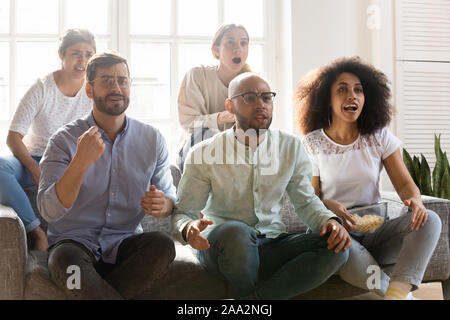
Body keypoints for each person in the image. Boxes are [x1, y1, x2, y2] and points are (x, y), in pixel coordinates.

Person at [172, 72, 351, 300]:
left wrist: (331, 222)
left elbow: (306, 202)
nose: (261, 104)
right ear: (230, 106)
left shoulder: (291, 147)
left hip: (271, 243)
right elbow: (183, 213)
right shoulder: (204, 153)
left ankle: (253, 302)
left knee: (338, 246)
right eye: (249, 98)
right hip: (221, 247)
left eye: (267, 98)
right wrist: (188, 229)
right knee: (237, 231)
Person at [296, 56, 441, 300]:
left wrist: (415, 201)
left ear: (367, 98)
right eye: (342, 90)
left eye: (358, 90)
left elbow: (405, 185)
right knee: (340, 250)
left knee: (431, 220)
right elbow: (311, 198)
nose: (352, 96)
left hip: (377, 230)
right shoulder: (313, 143)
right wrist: (329, 206)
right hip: (339, 233)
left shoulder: (379, 137)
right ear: (326, 99)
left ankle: (395, 296)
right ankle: (399, 296)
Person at [37, 52, 176, 299]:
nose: (116, 87)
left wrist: (163, 204)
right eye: (107, 81)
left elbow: (169, 202)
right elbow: (49, 211)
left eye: (122, 80)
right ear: (89, 90)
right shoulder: (63, 140)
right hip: (73, 247)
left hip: (125, 246)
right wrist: (80, 162)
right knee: (65, 264)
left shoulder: (152, 140)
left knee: (162, 246)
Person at [0, 29, 96, 251]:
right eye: (76, 53)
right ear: (61, 54)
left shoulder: (93, 91)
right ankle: (37, 232)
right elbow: (13, 137)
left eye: (88, 54)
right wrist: (34, 169)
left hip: (71, 162)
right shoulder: (42, 88)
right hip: (36, 157)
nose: (83, 61)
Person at [176, 23, 251, 172]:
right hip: (194, 152)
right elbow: (188, 121)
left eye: (243, 43)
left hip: (233, 157)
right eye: (230, 42)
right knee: (207, 134)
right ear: (216, 50)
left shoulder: (251, 82)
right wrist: (220, 118)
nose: (238, 48)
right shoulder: (197, 75)